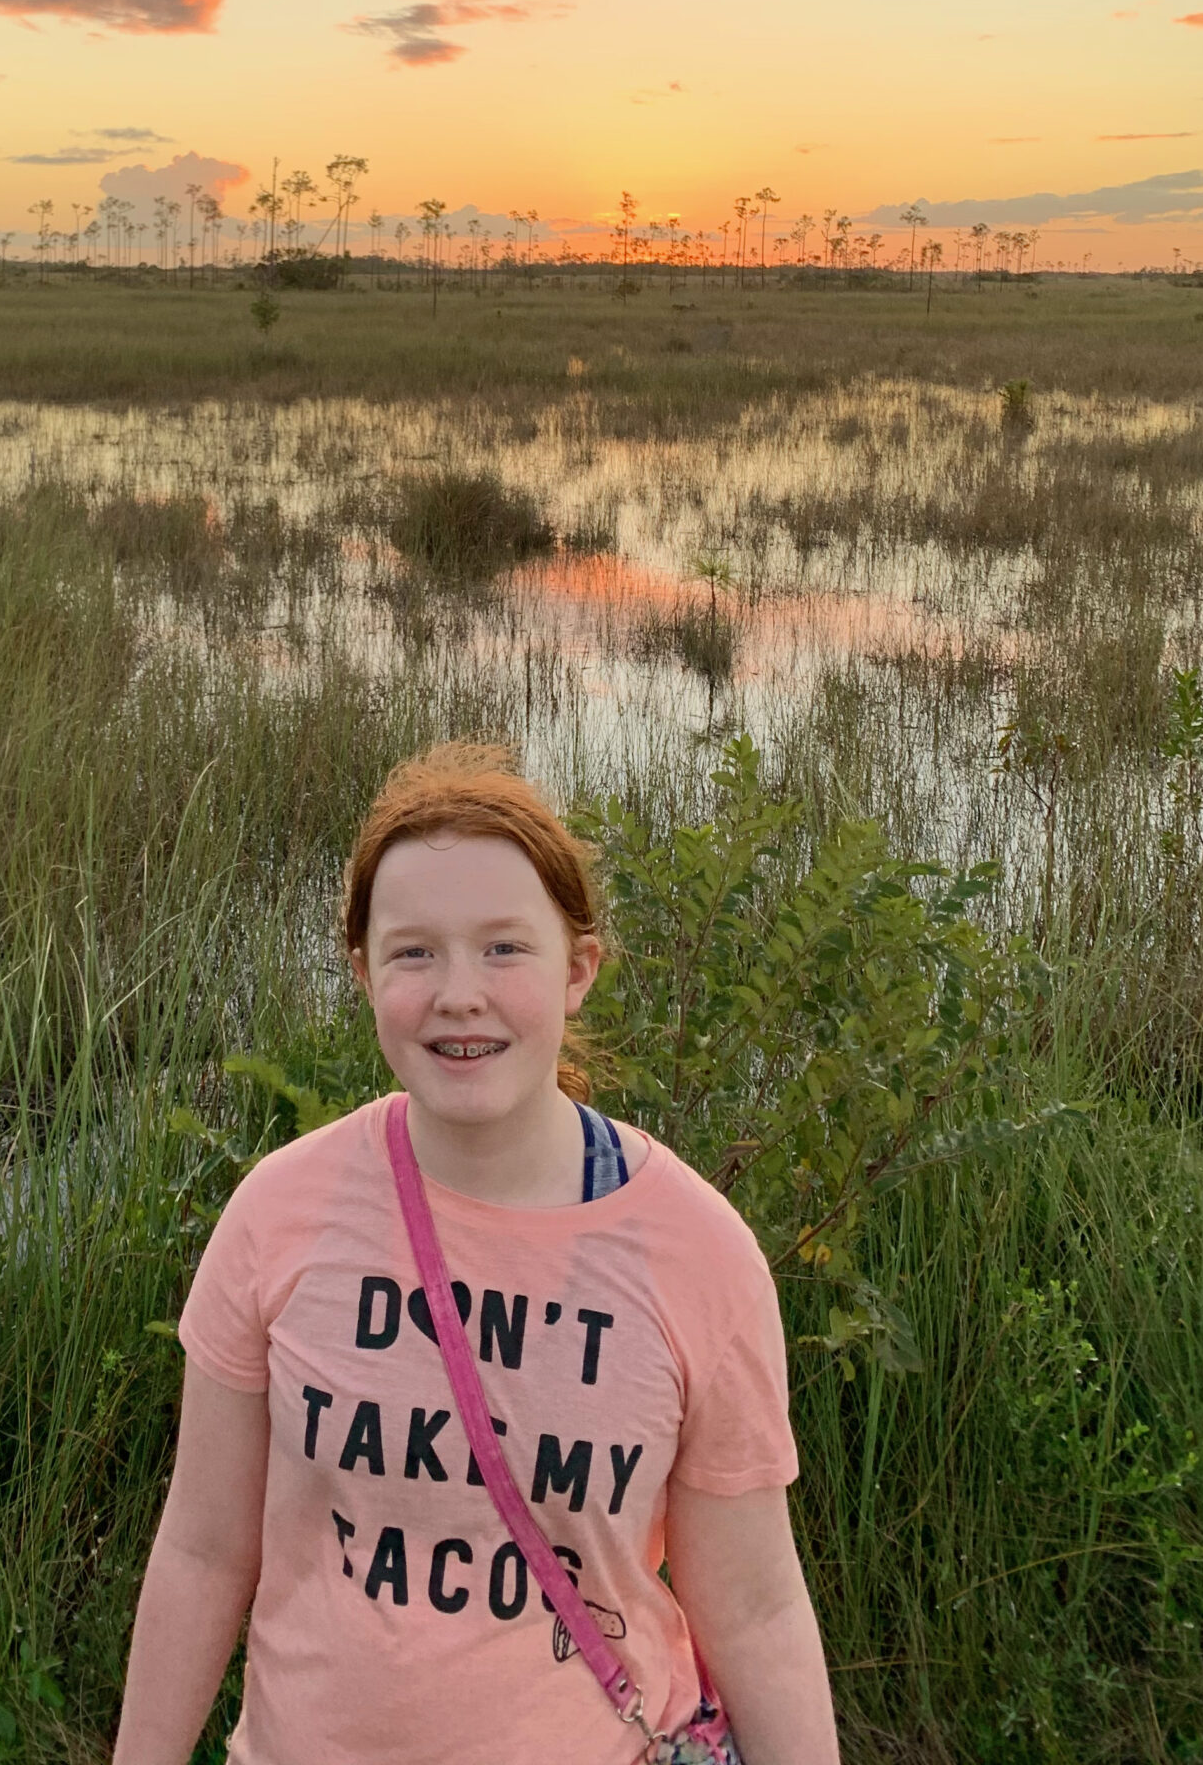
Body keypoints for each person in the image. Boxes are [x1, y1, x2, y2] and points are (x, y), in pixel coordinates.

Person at [113, 745, 839, 1765]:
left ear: (577, 968)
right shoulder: (280, 1214)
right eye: (414, 953)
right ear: (365, 971)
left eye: (505, 948)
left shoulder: (696, 1252)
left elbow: (756, 1610)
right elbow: (202, 1547)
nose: (460, 993)